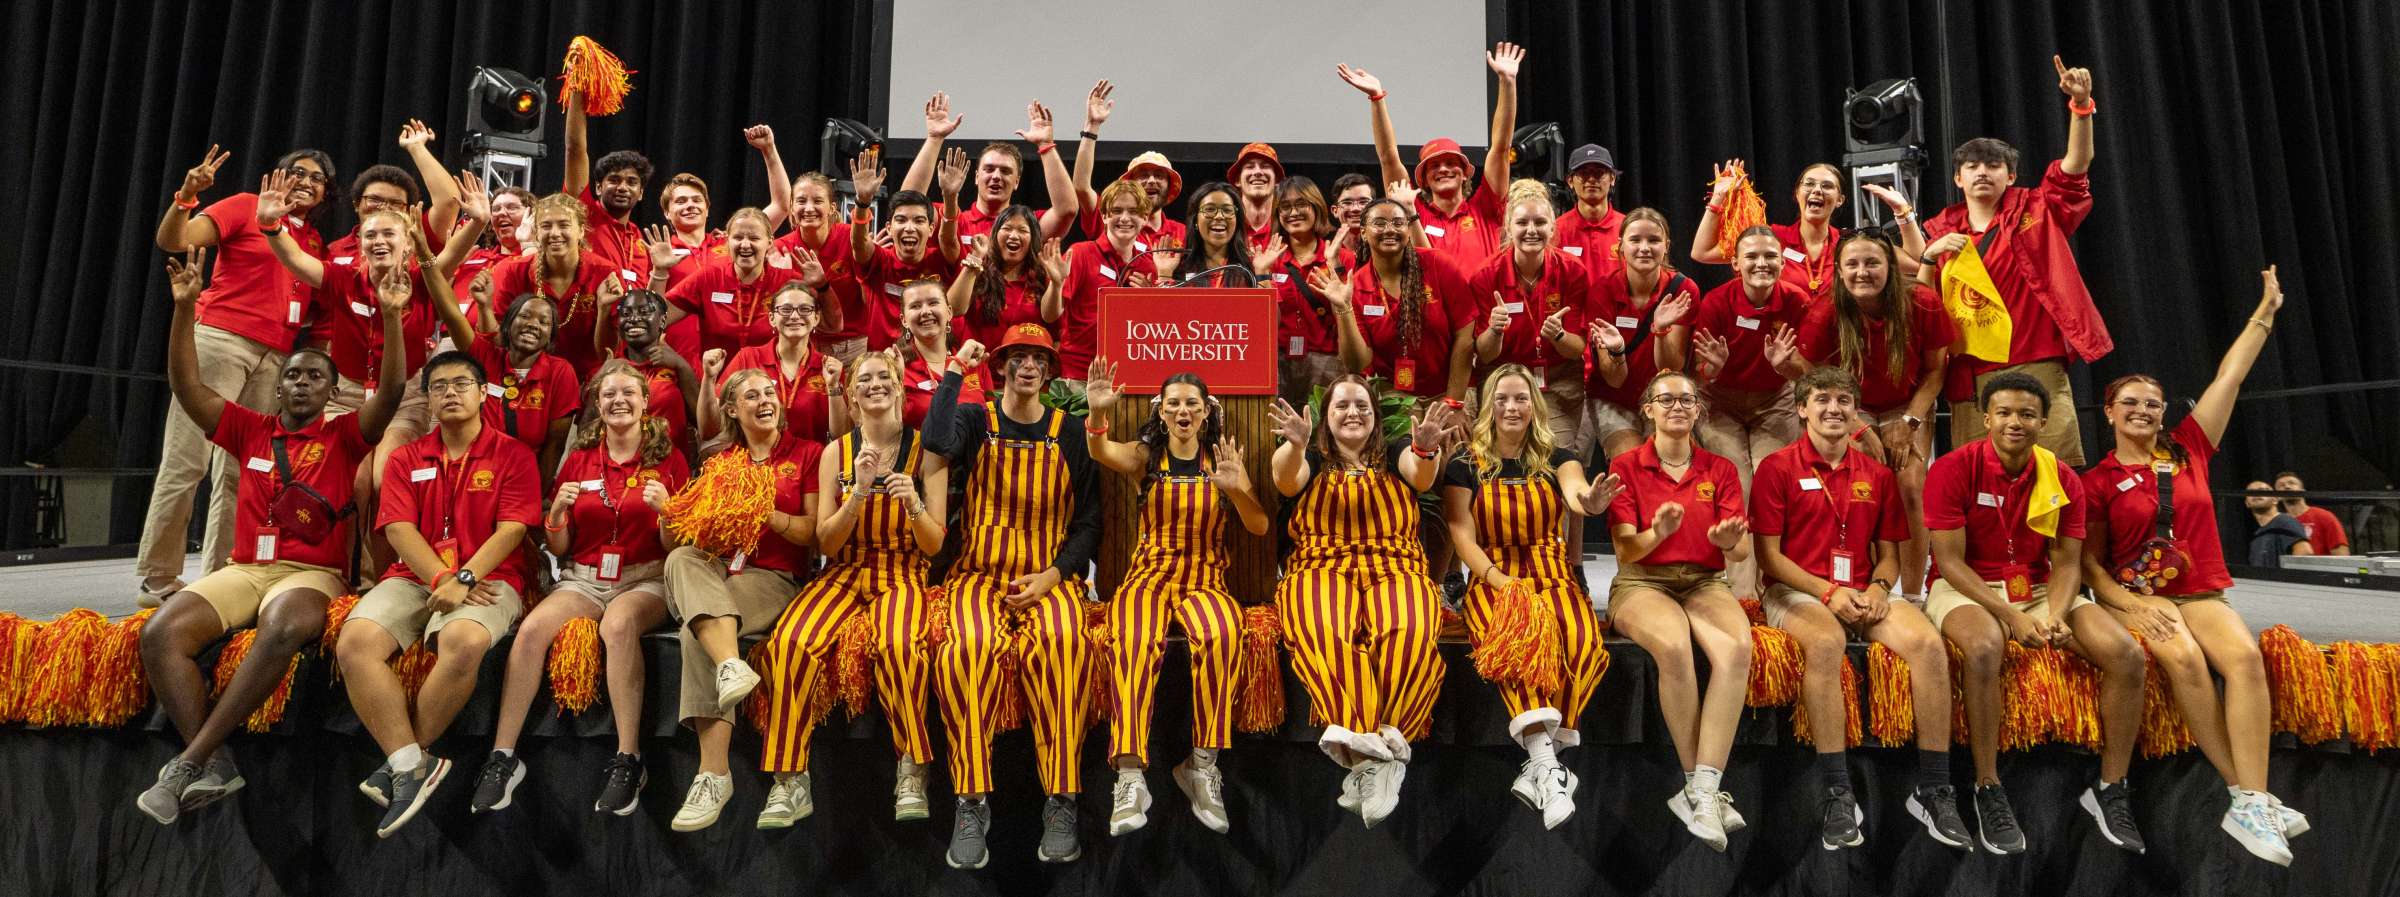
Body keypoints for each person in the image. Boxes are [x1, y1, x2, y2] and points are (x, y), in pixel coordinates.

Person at [135, 251, 404, 824]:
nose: (302, 382)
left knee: (283, 626)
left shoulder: (346, 436)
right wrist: (185, 311)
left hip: (311, 576)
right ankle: (217, 763)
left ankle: (192, 760)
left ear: (332, 391)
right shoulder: (248, 427)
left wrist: (393, 316)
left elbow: (393, 391)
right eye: (293, 375)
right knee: (160, 635)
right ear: (278, 387)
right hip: (244, 570)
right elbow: (187, 384)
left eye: (315, 376)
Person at [2079, 269, 2302, 864]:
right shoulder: (2095, 481)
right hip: (2139, 596)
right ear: (2109, 411)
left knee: (2246, 660)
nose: (2144, 411)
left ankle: (2252, 798)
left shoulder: (2189, 450)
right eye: (2131, 403)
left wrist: (2265, 312)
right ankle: (2244, 793)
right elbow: (2090, 566)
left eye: (2154, 403)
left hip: (2202, 592)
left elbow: (2230, 376)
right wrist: (2129, 604)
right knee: (2182, 660)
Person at [1923, 370, 2146, 856]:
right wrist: (2012, 616)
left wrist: (2056, 616)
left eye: (2026, 414)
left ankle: (2111, 788)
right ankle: (1987, 786)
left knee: (2127, 655)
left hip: (2043, 588)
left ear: (2044, 421)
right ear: (1986, 418)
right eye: (2003, 412)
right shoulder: (1953, 469)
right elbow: (1951, 563)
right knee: (1984, 647)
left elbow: (2067, 562)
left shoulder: (2061, 476)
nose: (2014, 422)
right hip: (1969, 588)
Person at [1750, 367, 1969, 851]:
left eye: (1844, 401)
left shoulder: (1877, 474)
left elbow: (1890, 553)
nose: (1833, 409)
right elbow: (1769, 557)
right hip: (1798, 589)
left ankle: (1934, 788)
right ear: (1802, 408)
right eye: (1822, 399)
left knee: (1929, 646)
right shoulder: (1776, 467)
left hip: (1864, 589)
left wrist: (1878, 586)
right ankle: (1837, 790)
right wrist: (1828, 593)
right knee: (1826, 642)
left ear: (1855, 412)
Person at [334, 349, 541, 837]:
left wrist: (465, 578)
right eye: (439, 386)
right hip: (415, 576)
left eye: (461, 384)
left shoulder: (513, 453)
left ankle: (408, 761)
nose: (450, 393)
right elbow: (399, 529)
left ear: (483, 393)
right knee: (354, 643)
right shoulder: (408, 456)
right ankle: (412, 764)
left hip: (491, 579)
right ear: (426, 400)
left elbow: (513, 530)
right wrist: (441, 580)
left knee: (463, 642)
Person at [471, 360, 689, 817]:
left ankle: (628, 758)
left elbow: (679, 545)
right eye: (608, 395)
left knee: (618, 625)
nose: (618, 401)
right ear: (597, 405)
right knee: (531, 632)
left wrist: (667, 512)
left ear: (646, 403)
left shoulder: (669, 460)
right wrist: (555, 517)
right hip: (584, 576)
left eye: (629, 393)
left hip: (646, 577)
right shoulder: (579, 459)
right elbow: (560, 542)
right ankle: (503, 757)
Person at [920, 327, 1103, 867]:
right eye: (1017, 358)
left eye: (1037, 360)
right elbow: (933, 442)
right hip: (978, 575)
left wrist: (1054, 575)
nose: (1027, 367)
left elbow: (1090, 522)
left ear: (1049, 372)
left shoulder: (1070, 432)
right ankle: (971, 800)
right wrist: (954, 371)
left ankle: (1062, 798)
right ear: (1001, 368)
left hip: (1049, 577)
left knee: (1067, 645)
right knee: (964, 650)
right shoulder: (977, 420)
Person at [753, 349, 952, 827]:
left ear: (901, 389)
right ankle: (789, 778)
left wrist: (915, 508)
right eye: (865, 379)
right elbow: (825, 540)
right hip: (843, 570)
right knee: (789, 645)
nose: (875, 384)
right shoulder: (835, 452)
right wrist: (858, 493)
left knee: (900, 644)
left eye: (885, 377)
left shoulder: (929, 450)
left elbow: (933, 546)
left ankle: (912, 765)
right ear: (852, 394)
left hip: (902, 570)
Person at [1080, 362, 1271, 837]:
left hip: (1206, 578)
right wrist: (1098, 414)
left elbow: (1259, 525)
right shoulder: (1147, 455)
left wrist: (1237, 490)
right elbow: (1101, 450)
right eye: (1173, 404)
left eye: (1192, 403)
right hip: (1149, 576)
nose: (1183, 411)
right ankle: (1129, 774)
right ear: (1160, 412)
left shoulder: (1223, 458)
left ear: (1207, 412)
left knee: (1225, 633)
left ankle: (1201, 764)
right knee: (1133, 637)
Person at [1266, 376, 1464, 829]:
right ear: (1326, 416)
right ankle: (1380, 757)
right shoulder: (1311, 457)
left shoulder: (1396, 452)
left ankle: (1374, 752)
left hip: (1395, 566)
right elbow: (1286, 479)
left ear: (1375, 416)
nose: (1352, 413)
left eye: (1361, 406)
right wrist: (1294, 445)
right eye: (1341, 406)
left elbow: (1420, 474)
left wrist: (1427, 450)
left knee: (1410, 631)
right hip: (1320, 567)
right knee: (1323, 630)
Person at [143, 145, 336, 606]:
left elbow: (323, 321)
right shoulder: (245, 206)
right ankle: (158, 579)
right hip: (221, 341)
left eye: (317, 177)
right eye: (297, 172)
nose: (306, 181)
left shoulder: (312, 243)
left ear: (326, 192)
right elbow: (175, 239)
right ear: (278, 175)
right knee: (187, 460)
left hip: (276, 362)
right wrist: (186, 195)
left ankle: (219, 575)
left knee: (243, 473)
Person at [1441, 365, 1619, 829]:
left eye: (1521, 398)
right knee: (1521, 638)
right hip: (1494, 573)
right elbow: (1461, 535)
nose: (1512, 408)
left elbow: (1577, 493)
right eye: (1502, 399)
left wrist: (1591, 503)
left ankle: (1543, 766)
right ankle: (1546, 760)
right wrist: (1500, 581)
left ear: (1534, 405)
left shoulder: (1559, 455)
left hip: (1549, 569)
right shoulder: (1465, 462)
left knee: (1582, 643)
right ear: (1488, 406)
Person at [1918, 56, 2110, 465]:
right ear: (1958, 179)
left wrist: (2080, 107)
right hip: (1970, 371)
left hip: (2034, 358)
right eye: (1971, 166)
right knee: (1980, 479)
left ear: (2011, 175)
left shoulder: (2037, 209)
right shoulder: (1939, 232)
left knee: (2054, 472)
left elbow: (2076, 166)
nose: (1982, 172)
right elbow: (1921, 300)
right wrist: (1927, 254)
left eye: (1994, 165)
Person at [663, 369, 823, 832]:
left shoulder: (807, 454)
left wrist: (768, 514)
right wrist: (666, 513)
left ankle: (713, 774)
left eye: (770, 392)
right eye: (751, 395)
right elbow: (686, 535)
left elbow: (812, 534)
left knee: (695, 630)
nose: (764, 400)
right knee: (680, 559)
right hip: (719, 569)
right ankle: (732, 666)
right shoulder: (719, 461)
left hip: (773, 575)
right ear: (732, 410)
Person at [1603, 371, 1756, 851]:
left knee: (1736, 651)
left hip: (1703, 580)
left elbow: (1739, 551)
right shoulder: (1625, 466)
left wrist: (1731, 543)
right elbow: (1628, 552)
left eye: (1686, 400)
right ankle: (1700, 786)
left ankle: (1702, 788)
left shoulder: (1720, 469)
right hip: (1642, 582)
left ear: (1698, 410)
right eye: (1665, 399)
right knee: (1674, 647)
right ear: (1647, 409)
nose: (1677, 407)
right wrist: (1659, 534)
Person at [1798, 233, 1956, 601]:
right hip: (1850, 403)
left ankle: (1914, 596)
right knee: (1861, 485)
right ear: (1838, 270)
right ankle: (1862, 588)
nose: (1862, 272)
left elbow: (1935, 373)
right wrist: (1860, 427)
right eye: (1852, 264)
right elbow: (1813, 373)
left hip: (1909, 401)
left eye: (1872, 263)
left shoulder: (1922, 301)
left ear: (1890, 266)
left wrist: (1910, 423)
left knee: (1910, 486)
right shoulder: (1825, 310)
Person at [1671, 225, 1811, 596]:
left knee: (1771, 486)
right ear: (1735, 262)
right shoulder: (1717, 303)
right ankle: (1742, 595)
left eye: (1770, 256)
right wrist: (1712, 368)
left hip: (1776, 400)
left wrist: (1786, 367)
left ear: (1782, 262)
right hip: (1722, 401)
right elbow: (1700, 374)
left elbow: (1810, 374)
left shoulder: (1797, 302)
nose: (1761, 263)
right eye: (1752, 256)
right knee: (1737, 484)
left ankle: (1776, 587)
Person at [1341, 42, 1523, 264]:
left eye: (1450, 163)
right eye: (1434, 166)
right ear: (1424, 179)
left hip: (1485, 299)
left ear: (1465, 173)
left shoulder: (1485, 207)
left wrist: (1508, 82)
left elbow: (1501, 147)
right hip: (1429, 299)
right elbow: (1388, 159)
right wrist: (1377, 98)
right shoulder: (1413, 210)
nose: (1443, 169)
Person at [1317, 197, 1474, 400]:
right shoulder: (1356, 286)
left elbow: (1465, 337)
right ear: (1363, 232)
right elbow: (1358, 363)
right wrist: (1343, 308)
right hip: (1394, 398)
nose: (1390, 229)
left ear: (1408, 230)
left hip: (1449, 391)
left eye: (1398, 223)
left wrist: (1454, 401)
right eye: (1380, 223)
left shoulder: (1438, 264)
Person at [1692, 161, 1922, 296]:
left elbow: (1918, 262)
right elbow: (1702, 253)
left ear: (1840, 199)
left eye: (1827, 186)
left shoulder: (1852, 244)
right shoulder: (1772, 238)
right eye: (1809, 184)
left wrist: (1903, 212)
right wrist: (1718, 200)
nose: (1817, 191)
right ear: (1797, 194)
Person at [1582, 208, 1699, 462]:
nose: (1644, 248)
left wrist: (1659, 331)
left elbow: (1671, 368)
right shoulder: (1602, 291)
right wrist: (1617, 350)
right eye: (1635, 240)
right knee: (1632, 461)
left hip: (1664, 398)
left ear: (1666, 246)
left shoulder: (1684, 289)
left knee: (1672, 461)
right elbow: (1614, 380)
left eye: (1654, 240)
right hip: (1614, 399)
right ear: (1620, 246)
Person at [486, 193, 633, 380]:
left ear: (581, 230)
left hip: (587, 380)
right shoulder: (515, 271)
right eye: (546, 226)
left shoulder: (605, 272)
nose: (555, 233)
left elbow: (607, 352)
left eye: (564, 225)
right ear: (536, 233)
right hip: (528, 378)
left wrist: (604, 310)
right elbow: (500, 340)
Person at [901, 92, 1079, 241]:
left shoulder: (1028, 227)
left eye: (1005, 171)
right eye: (989, 169)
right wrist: (934, 139)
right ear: (977, 177)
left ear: (1017, 182)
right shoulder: (955, 220)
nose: (996, 176)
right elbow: (908, 201)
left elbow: (1067, 210)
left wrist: (1045, 145)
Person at [662, 207, 820, 360]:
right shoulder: (709, 277)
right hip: (719, 382)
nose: (745, 245)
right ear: (727, 240)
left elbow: (832, 325)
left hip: (771, 383)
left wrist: (823, 285)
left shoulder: (788, 282)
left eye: (754, 238)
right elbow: (657, 318)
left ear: (770, 242)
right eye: (738, 238)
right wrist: (659, 272)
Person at [1256, 176, 1354, 409]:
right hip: (1278, 361)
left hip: (1327, 360)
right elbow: (1262, 324)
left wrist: (1334, 267)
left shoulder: (1340, 256)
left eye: (1301, 204)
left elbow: (1348, 314)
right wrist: (1261, 272)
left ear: (1316, 207)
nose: (1293, 213)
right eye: (1285, 207)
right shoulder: (1268, 258)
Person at [850, 150, 961, 348]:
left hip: (931, 362)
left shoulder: (941, 259)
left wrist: (950, 197)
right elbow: (859, 244)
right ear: (889, 228)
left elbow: (949, 239)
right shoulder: (880, 260)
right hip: (886, 366)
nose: (909, 228)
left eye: (919, 221)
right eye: (901, 220)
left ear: (930, 229)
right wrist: (863, 202)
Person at [709, 283, 842, 442]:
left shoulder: (830, 368)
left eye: (805, 309)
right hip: (756, 462)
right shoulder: (747, 358)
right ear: (772, 318)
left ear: (816, 318)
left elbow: (842, 437)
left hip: (811, 462)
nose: (794, 316)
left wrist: (834, 387)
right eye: (785, 309)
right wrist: (708, 380)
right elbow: (712, 424)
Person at [1057, 181, 1159, 388]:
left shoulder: (1147, 263)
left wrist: (1151, 300)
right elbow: (1053, 314)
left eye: (1133, 211)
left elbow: (1149, 330)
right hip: (1078, 376)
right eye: (1116, 211)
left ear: (1144, 218)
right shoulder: (1080, 253)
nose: (1124, 218)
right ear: (1104, 216)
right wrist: (1056, 284)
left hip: (1128, 377)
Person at [769, 169, 868, 363]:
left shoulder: (851, 239)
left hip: (856, 345)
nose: (808, 208)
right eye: (801, 201)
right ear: (791, 207)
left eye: (817, 201)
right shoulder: (781, 249)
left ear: (832, 208)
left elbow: (872, 294)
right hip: (804, 346)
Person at [562, 88, 655, 287]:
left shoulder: (639, 238)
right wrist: (577, 89)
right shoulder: (584, 213)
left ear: (641, 194)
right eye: (614, 180)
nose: (623, 187)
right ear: (598, 187)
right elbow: (575, 149)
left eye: (632, 182)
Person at [947, 205, 1064, 349]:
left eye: (1022, 230)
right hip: (978, 367)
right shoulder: (977, 269)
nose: (1013, 236)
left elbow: (1052, 323)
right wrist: (976, 258)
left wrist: (1056, 283)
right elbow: (954, 309)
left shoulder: (1042, 277)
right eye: (1007, 228)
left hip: (1022, 368)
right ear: (995, 235)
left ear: (1033, 239)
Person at [613, 290, 703, 457]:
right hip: (618, 468)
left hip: (670, 468)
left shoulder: (686, 364)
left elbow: (703, 424)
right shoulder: (610, 370)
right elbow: (589, 434)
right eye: (626, 313)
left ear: (662, 321)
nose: (633, 319)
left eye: (644, 312)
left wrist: (681, 366)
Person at [895, 278, 991, 427]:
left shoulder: (975, 362)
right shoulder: (896, 369)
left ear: (949, 312)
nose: (926, 311)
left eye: (933, 303)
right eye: (915, 306)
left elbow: (993, 421)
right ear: (904, 320)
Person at [1157, 182, 1255, 287]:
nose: (1219, 216)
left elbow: (1266, 302)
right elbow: (1166, 304)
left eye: (1227, 210)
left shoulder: (1250, 267)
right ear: (1195, 220)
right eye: (1210, 209)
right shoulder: (1178, 266)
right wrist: (1164, 275)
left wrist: (1262, 273)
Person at [1553, 145, 1626, 277]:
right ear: (1570, 181)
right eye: (1583, 173)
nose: (1591, 179)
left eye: (1599, 173)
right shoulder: (1555, 230)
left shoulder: (1628, 228)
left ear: (1612, 179)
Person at [2273, 471, 2350, 555]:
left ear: (2303, 491)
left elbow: (2342, 555)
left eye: (2292, 483)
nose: (2287, 487)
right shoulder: (2278, 523)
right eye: (2281, 485)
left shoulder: (2324, 516)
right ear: (2277, 497)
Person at [1225, 142, 1285, 250]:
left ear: (1276, 179)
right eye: (1250, 166)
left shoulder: (1289, 225)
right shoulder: (1225, 225)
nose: (1257, 172)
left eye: (1265, 166)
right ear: (1238, 180)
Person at [2244, 481, 2313, 565]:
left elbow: (2304, 553)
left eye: (2262, 490)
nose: (2256, 494)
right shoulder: (2257, 537)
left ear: (2275, 499)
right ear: (2247, 503)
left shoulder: (2285, 521)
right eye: (2250, 492)